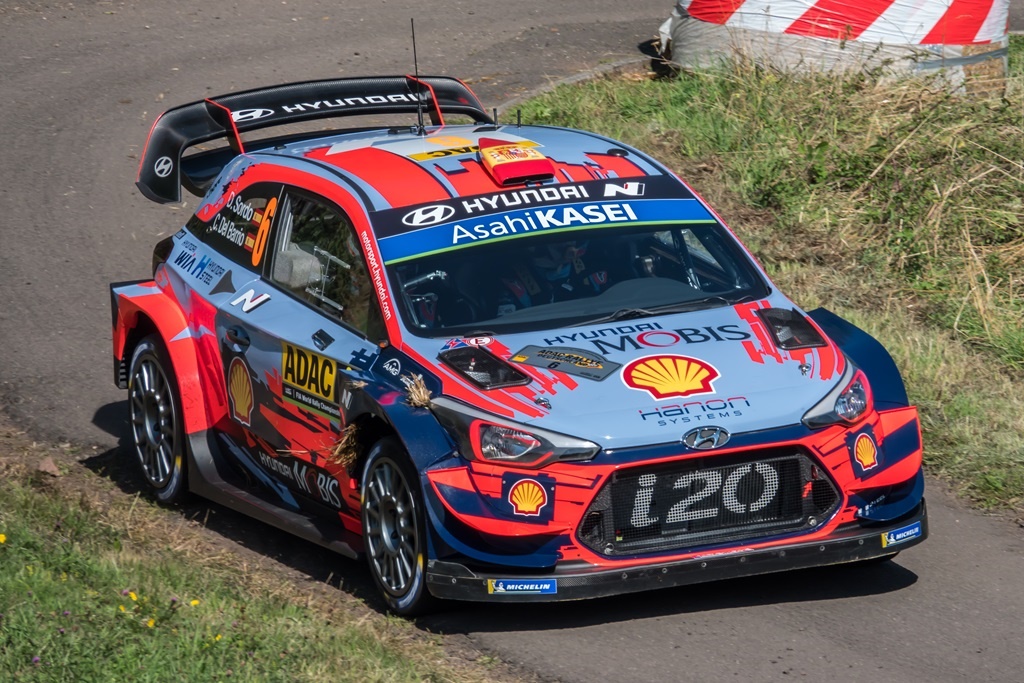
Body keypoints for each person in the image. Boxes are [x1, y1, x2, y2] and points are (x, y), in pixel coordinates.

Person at [496, 239, 611, 315]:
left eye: (572, 236)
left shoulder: (594, 268)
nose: (570, 243)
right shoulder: (512, 282)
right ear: (536, 248)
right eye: (560, 240)